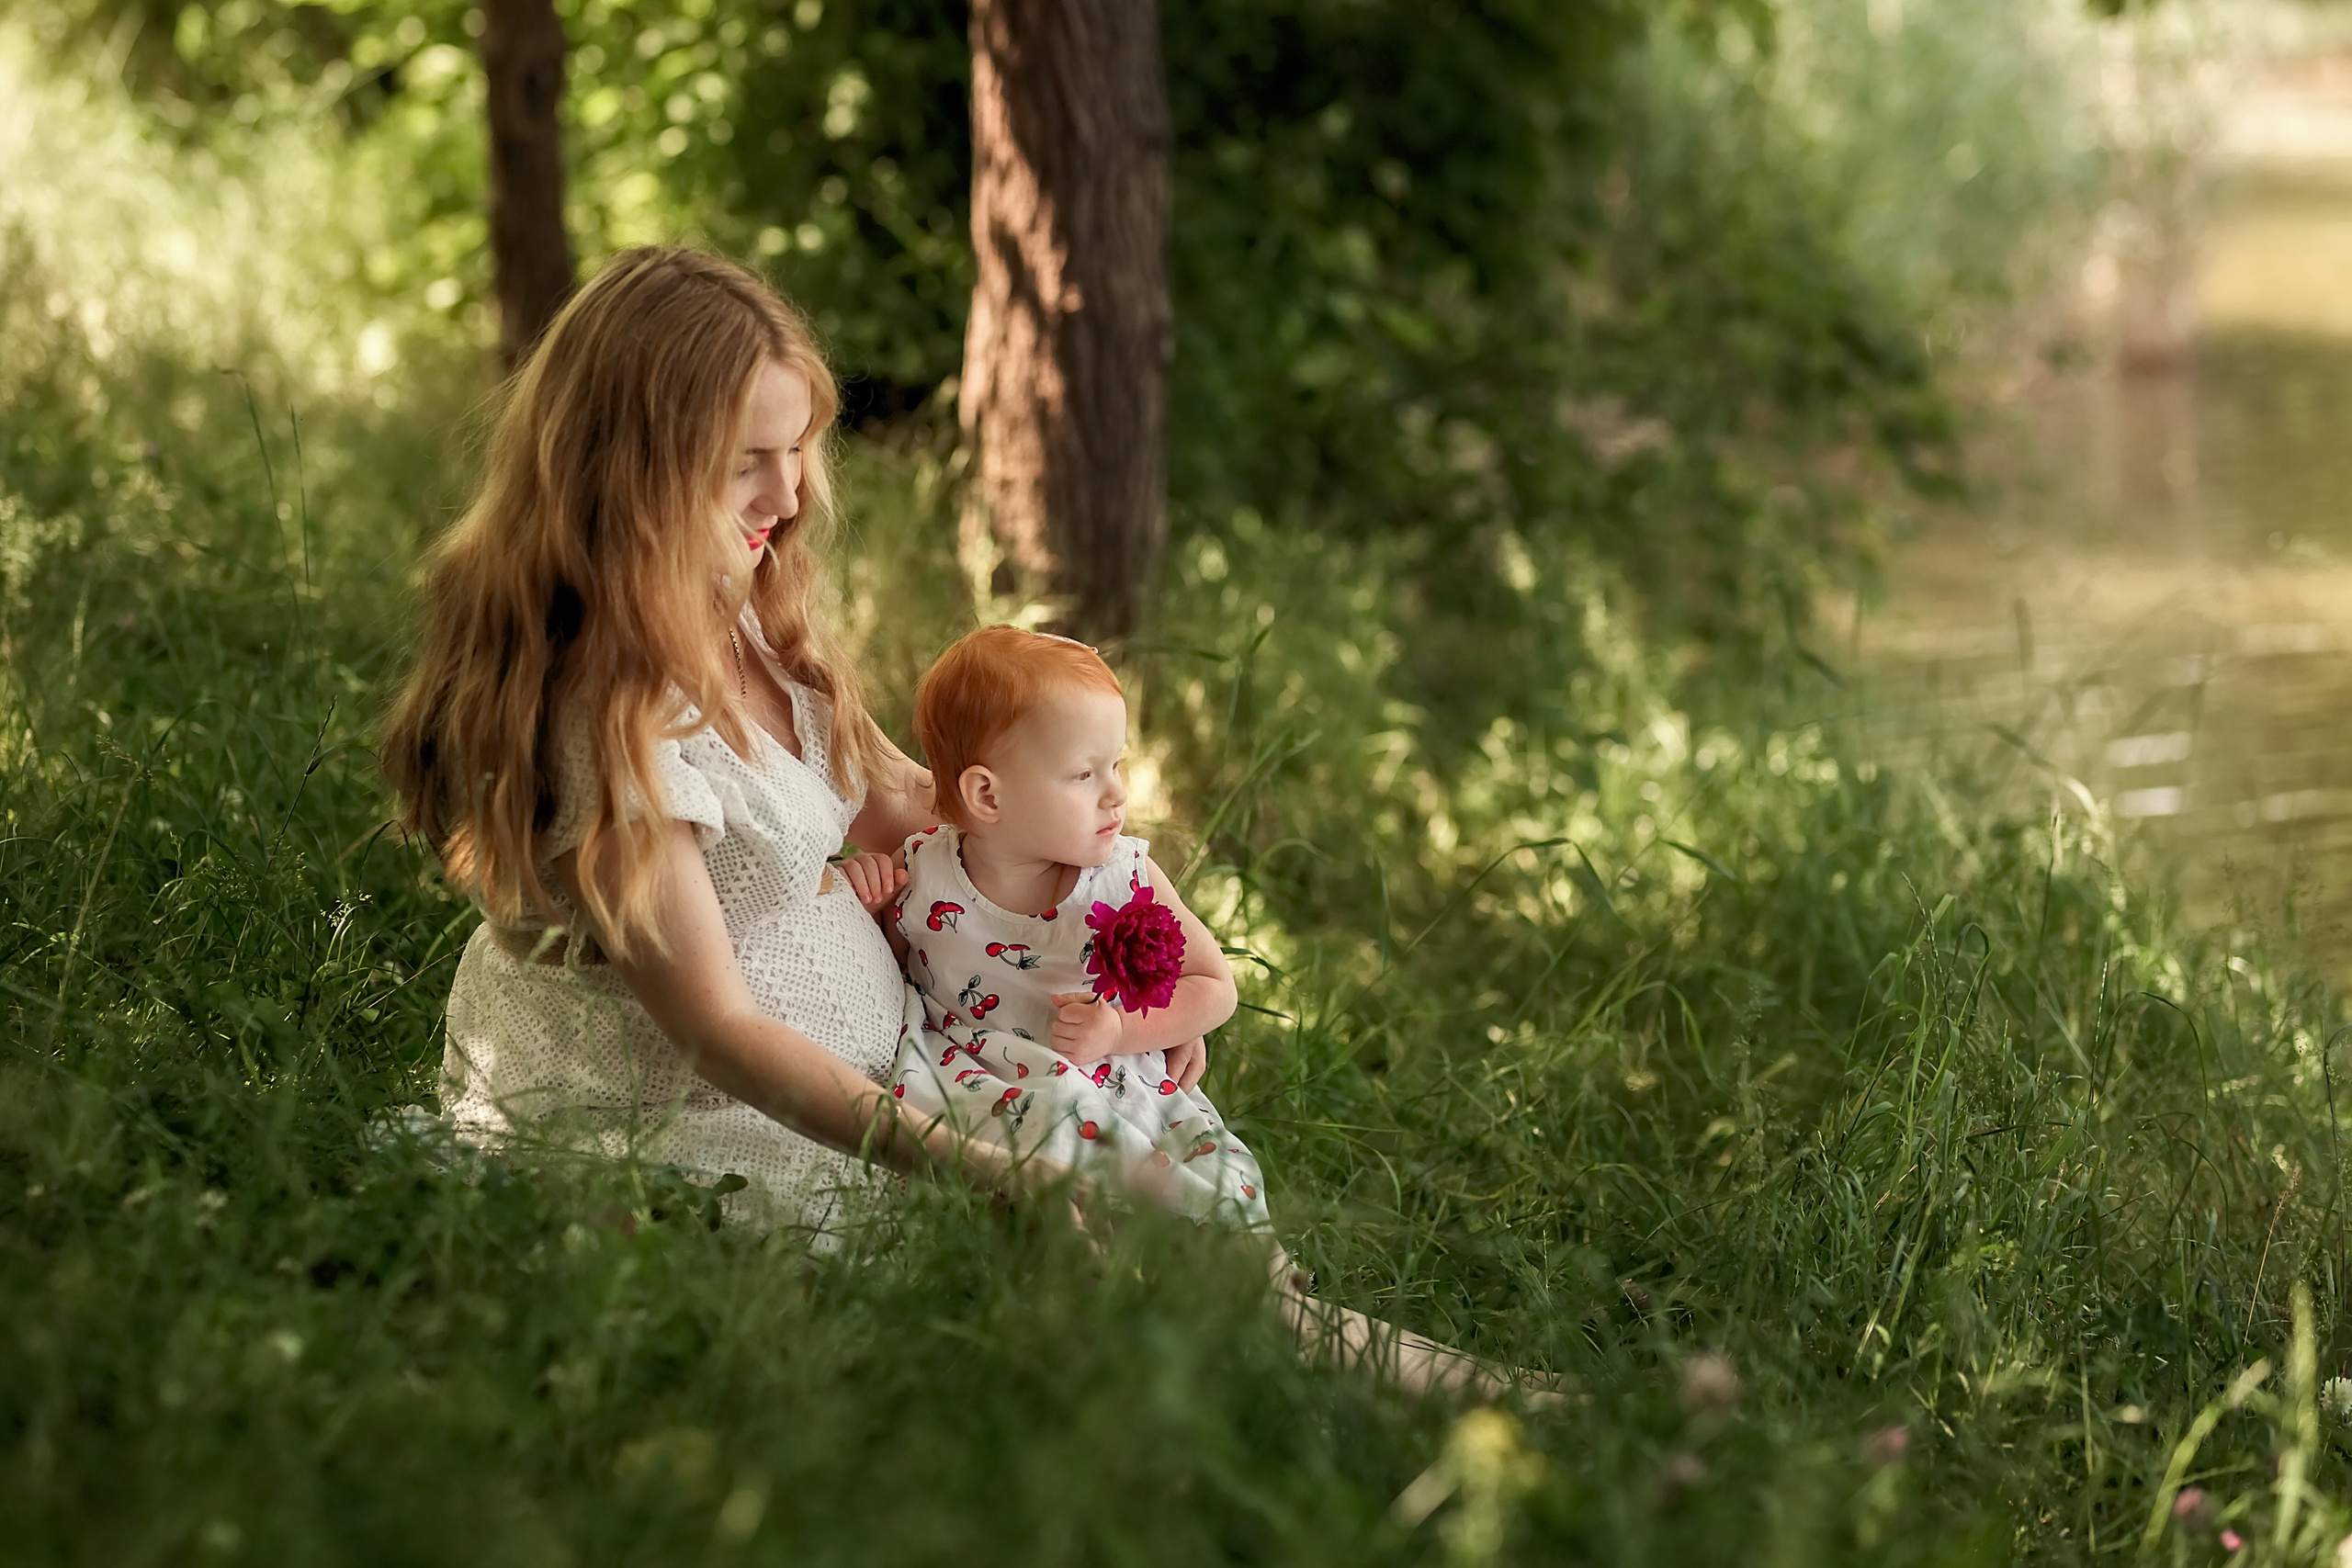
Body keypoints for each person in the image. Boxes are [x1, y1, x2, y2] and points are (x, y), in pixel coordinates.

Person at [382, 244, 1523, 1398]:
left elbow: (936, 809)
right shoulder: (616, 719)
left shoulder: (750, 628)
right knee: (1106, 1261)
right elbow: (716, 1031)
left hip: (911, 1069)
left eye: (796, 453)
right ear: (634, 471)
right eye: (745, 465)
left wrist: (1143, 945)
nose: (786, 498)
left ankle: (1432, 1384)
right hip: (704, 1128)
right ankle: (1447, 1398)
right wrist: (986, 1170)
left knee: (1155, 1212)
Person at [866, 626, 1269, 1229]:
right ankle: (1082, 1257)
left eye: (1116, 765)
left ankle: (1254, 1283)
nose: (1117, 793)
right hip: (982, 1077)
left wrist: (1119, 1029)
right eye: (1085, 774)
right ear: (986, 794)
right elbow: (896, 960)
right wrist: (871, 899)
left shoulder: (1122, 877)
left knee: (1204, 1181)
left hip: (1108, 1073)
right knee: (1047, 1124)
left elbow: (1215, 985)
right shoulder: (925, 872)